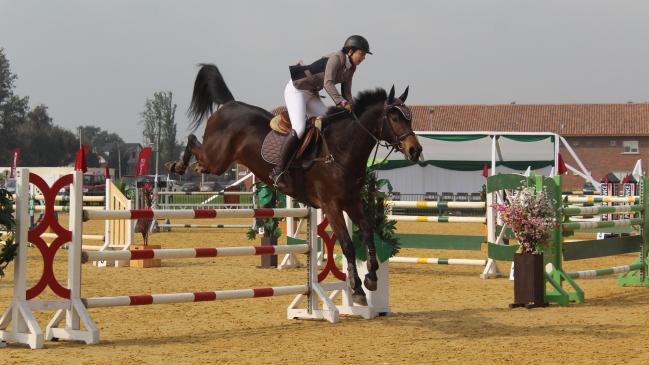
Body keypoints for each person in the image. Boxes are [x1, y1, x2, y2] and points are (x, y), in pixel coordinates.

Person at [269, 35, 372, 189]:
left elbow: (347, 92)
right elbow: (328, 83)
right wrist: (342, 103)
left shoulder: (352, 68)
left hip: (311, 92)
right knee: (299, 128)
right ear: (350, 51)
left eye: (364, 55)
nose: (363, 58)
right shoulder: (337, 57)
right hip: (297, 89)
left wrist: (351, 107)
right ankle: (278, 171)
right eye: (362, 54)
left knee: (327, 124)